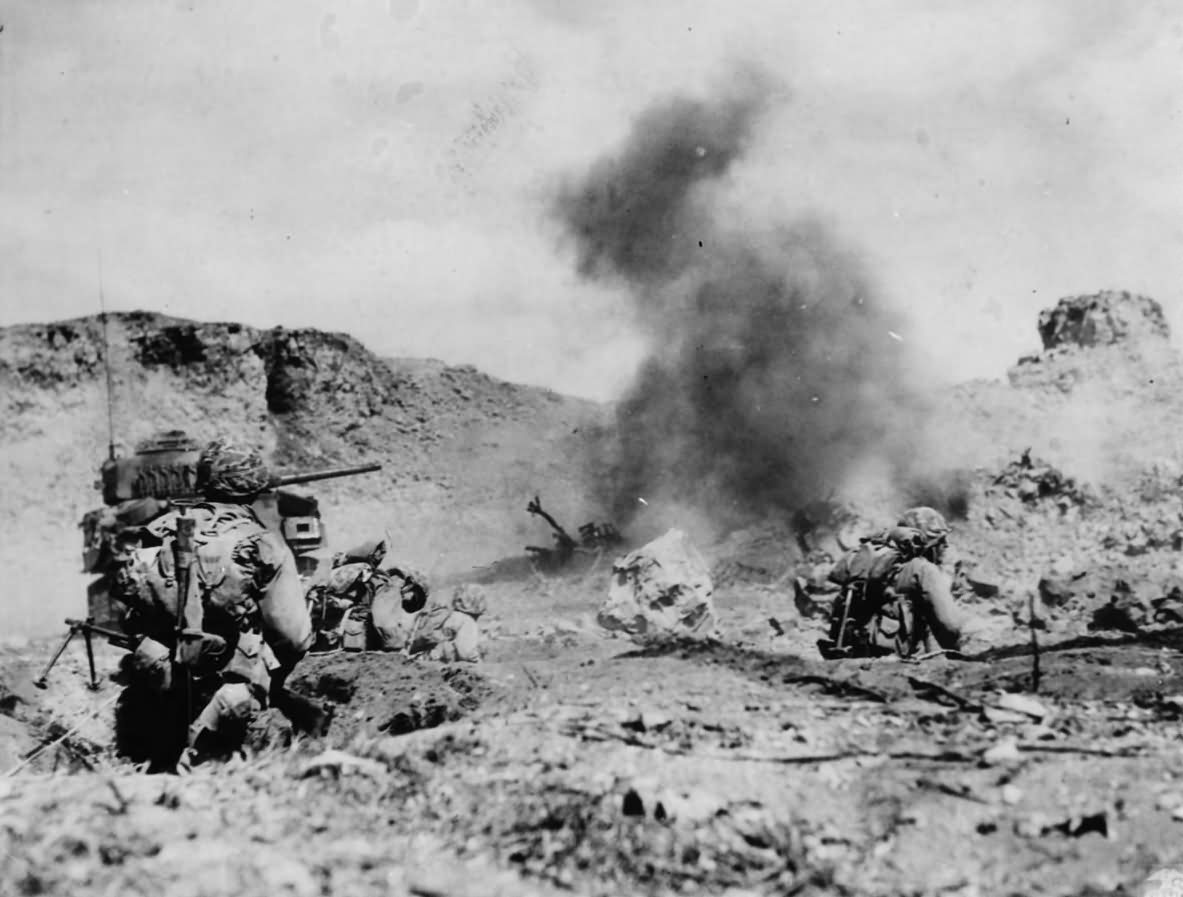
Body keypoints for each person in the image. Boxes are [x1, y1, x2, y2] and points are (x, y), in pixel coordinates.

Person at [112, 439, 321, 770]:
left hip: (156, 680)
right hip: (229, 692)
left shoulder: (156, 531)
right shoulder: (263, 543)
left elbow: (127, 612)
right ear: (253, 487)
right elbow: (293, 637)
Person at [820, 506, 977, 659]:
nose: (945, 546)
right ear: (928, 542)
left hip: (853, 654)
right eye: (941, 540)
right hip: (894, 661)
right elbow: (951, 625)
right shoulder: (923, 569)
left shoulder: (873, 565)